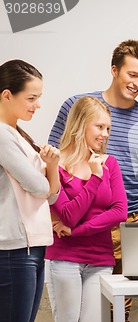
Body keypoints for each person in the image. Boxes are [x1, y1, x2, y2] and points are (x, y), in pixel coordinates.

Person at [48, 39, 138, 321]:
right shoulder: (78, 105)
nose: (137, 83)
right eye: (132, 75)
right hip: (73, 219)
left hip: (127, 223)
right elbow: (53, 162)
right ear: (114, 70)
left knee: (122, 313)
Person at [45, 96, 128, 322]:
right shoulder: (55, 166)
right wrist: (95, 178)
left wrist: (77, 231)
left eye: (108, 128)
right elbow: (69, 216)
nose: (105, 134)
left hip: (100, 259)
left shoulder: (109, 163)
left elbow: (120, 211)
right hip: (64, 258)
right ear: (80, 125)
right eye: (100, 127)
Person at [0, 59, 60, 322]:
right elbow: (38, 187)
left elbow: (53, 194)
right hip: (13, 249)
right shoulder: (2, 135)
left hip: (33, 246)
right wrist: (46, 173)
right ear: (7, 95)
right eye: (32, 98)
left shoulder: (19, 135)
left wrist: (52, 167)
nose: (38, 105)